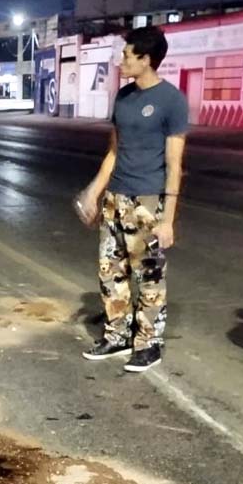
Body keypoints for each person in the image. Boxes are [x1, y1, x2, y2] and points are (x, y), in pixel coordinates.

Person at [74, 25, 188, 373]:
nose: (120, 60)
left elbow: (174, 164)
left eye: (126, 54)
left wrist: (168, 218)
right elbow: (113, 151)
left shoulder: (172, 101)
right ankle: (117, 334)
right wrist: (94, 191)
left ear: (146, 59)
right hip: (115, 198)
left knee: (149, 275)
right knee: (111, 272)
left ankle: (148, 342)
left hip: (147, 202)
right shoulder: (123, 98)